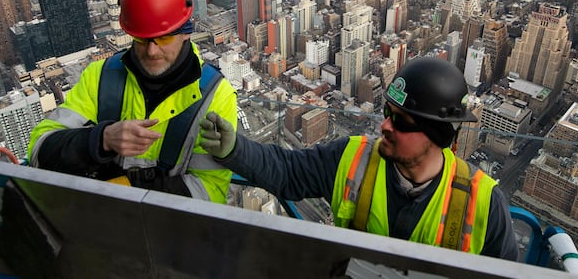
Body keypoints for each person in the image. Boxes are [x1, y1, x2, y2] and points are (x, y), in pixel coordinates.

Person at [200, 57, 518, 259]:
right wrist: (234, 149)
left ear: (440, 136)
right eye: (386, 113)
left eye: (402, 122)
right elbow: (287, 171)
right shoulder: (353, 158)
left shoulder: (484, 204)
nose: (385, 126)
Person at [28, 0, 237, 203]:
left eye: (164, 37)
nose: (152, 50)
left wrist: (131, 187)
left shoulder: (215, 95)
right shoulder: (100, 77)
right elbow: (40, 151)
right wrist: (101, 139)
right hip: (99, 220)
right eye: (141, 39)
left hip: (167, 227)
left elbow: (210, 191)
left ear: (185, 32)